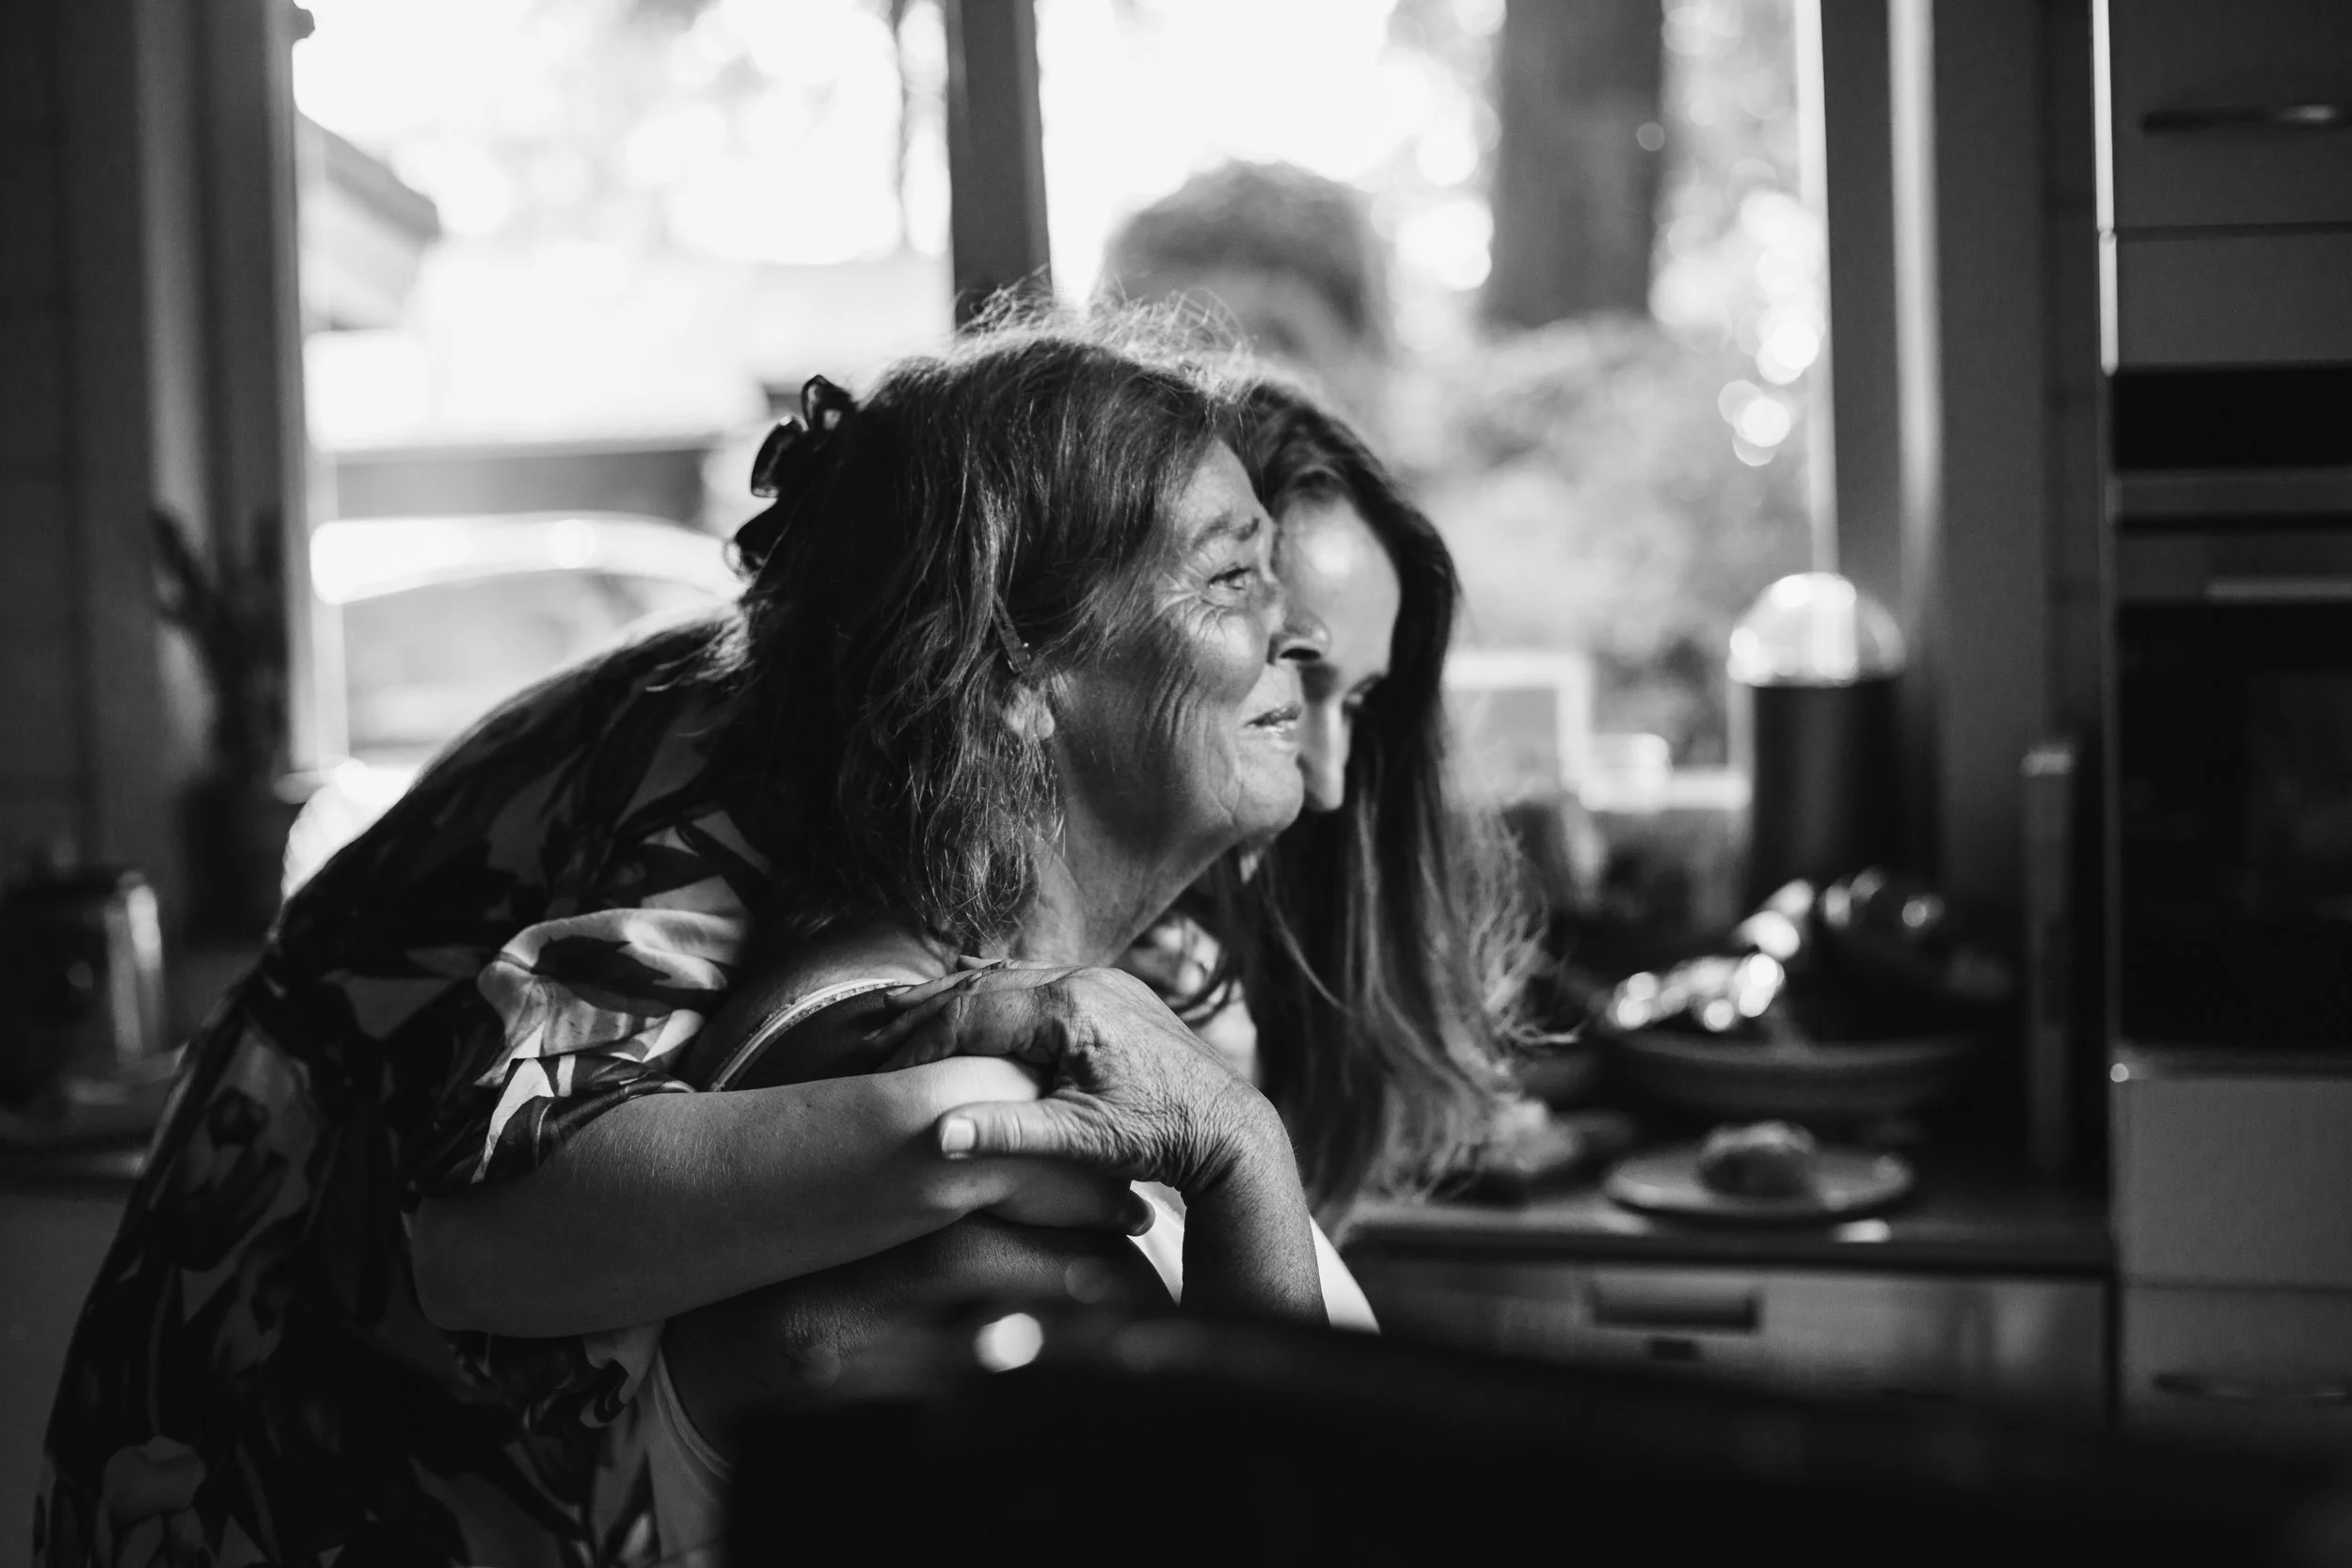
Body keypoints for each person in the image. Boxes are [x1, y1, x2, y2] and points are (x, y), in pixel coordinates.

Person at [36, 322, 1329, 1568]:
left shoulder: (964, 817)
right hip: (257, 1361)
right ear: (1010, 666)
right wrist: (973, 1095)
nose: (1300, 643)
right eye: (1229, 575)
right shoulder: (740, 741)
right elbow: (487, 1219)